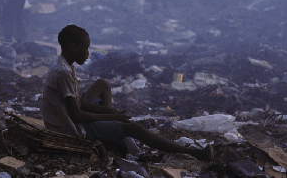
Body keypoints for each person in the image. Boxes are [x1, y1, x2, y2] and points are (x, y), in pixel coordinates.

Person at [43, 25, 214, 161]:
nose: (88, 53)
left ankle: (110, 134)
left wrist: (109, 112)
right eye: (86, 48)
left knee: (102, 85)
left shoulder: (64, 64)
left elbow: (76, 101)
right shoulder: (63, 73)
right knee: (135, 129)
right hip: (72, 128)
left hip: (67, 117)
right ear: (73, 47)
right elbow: (77, 116)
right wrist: (111, 118)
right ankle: (195, 154)